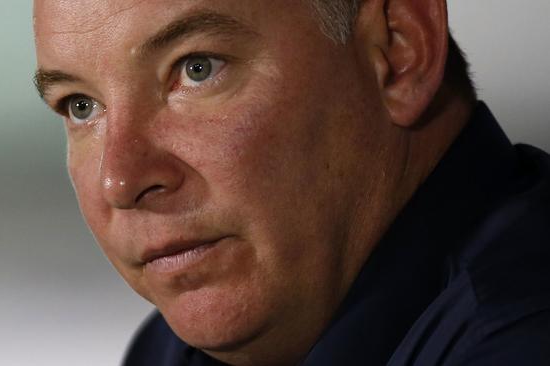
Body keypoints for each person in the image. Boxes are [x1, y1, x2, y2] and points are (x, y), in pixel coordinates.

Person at [32, 0, 550, 364]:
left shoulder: (521, 338)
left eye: (196, 68)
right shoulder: (170, 351)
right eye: (81, 106)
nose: (119, 180)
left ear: (398, 51)